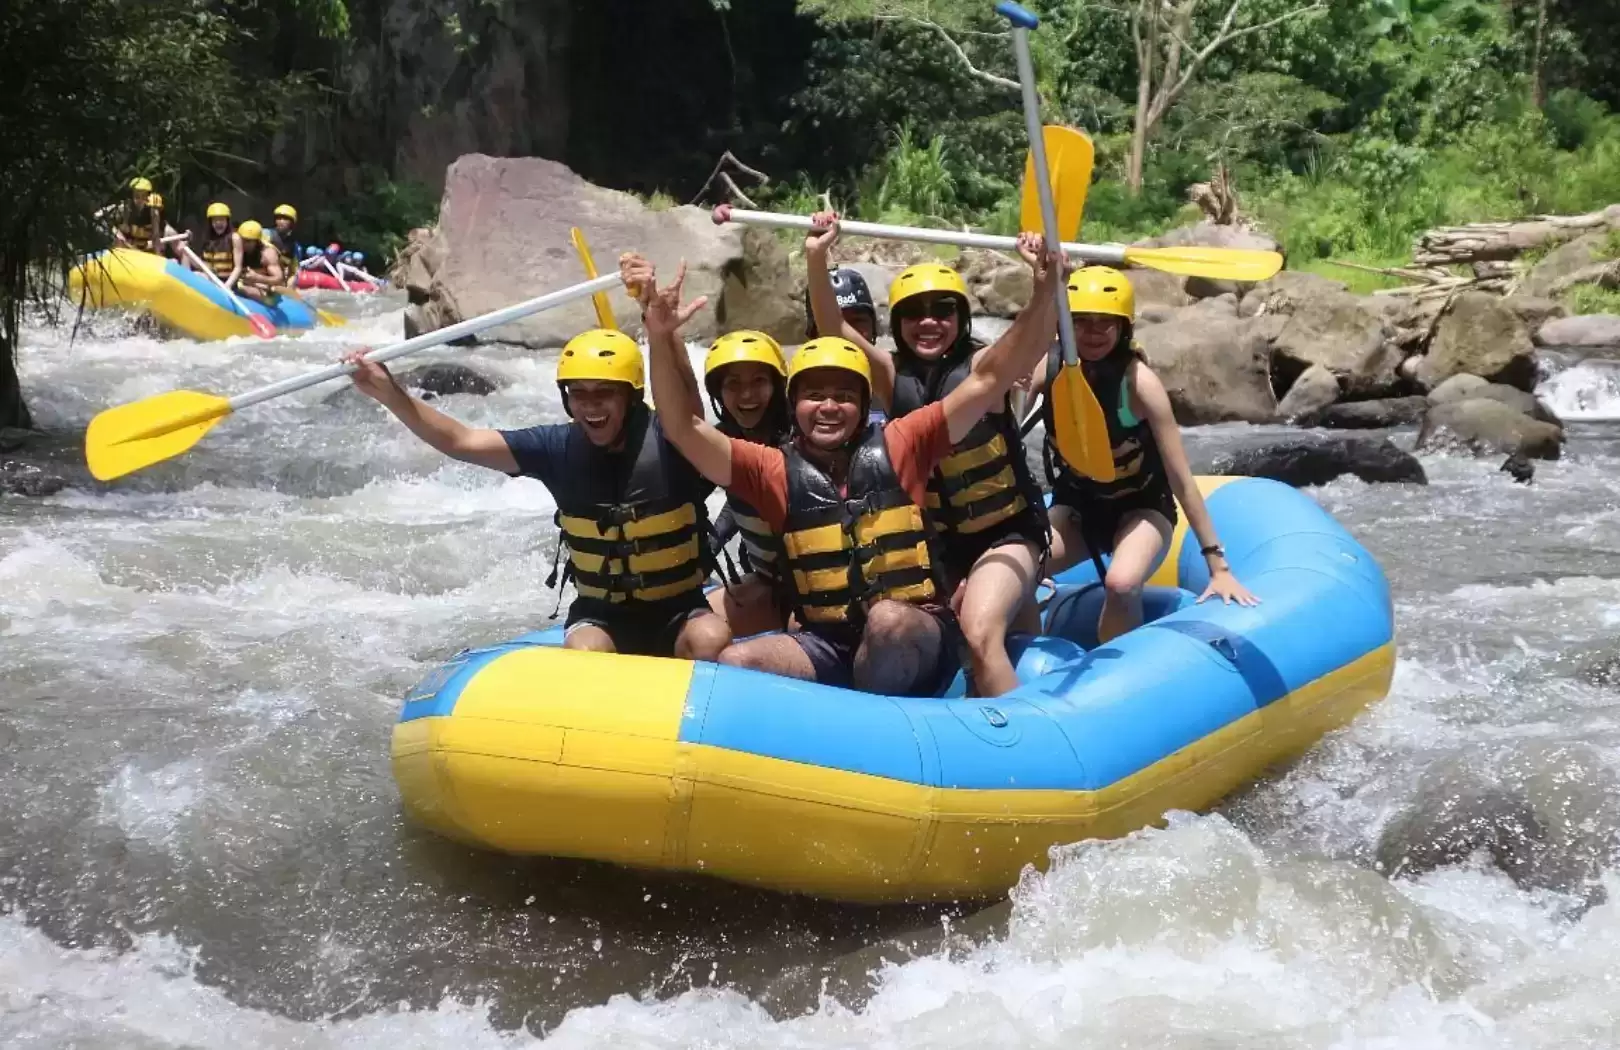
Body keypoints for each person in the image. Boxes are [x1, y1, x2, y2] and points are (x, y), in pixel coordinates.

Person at [632, 236, 1062, 697]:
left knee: (888, 620)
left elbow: (990, 377)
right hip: (829, 641)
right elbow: (683, 427)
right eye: (814, 396)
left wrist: (1044, 291)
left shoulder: (905, 442)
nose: (829, 407)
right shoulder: (770, 469)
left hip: (916, 631)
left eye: (844, 396)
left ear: (863, 404)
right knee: (738, 660)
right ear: (793, 405)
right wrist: (659, 335)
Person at [342, 330, 732, 661]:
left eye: (604, 393)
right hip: (603, 615)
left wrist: (663, 330)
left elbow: (691, 414)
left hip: (678, 609)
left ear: (631, 397)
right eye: (578, 394)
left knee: (711, 638)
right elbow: (461, 441)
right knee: (587, 651)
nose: (590, 406)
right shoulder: (554, 447)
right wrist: (389, 393)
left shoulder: (671, 439)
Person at [804, 212, 1050, 697]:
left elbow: (1027, 345)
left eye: (942, 311)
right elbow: (832, 328)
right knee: (1005, 634)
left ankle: (1026, 733)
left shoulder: (982, 366)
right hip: (938, 547)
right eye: (915, 313)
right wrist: (816, 258)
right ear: (897, 324)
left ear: (961, 319)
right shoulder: (888, 375)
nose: (929, 322)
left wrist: (1044, 285)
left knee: (980, 632)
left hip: (1006, 532)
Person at [1029, 266, 1259, 642]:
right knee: (1020, 566)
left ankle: (1114, 668)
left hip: (1141, 509)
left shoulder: (1140, 384)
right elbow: (1006, 420)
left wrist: (1217, 565)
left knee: (1121, 584)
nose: (1093, 332)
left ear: (1123, 327)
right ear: (1065, 325)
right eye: (1082, 321)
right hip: (1076, 507)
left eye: (1105, 322)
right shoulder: (1047, 369)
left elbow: (1181, 479)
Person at [191, 203, 243, 286]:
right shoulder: (207, 237)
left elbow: (238, 267)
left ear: (227, 220)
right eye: (215, 220)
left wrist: (227, 286)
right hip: (209, 279)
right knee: (186, 253)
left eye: (222, 219)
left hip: (226, 282)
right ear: (210, 222)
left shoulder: (235, 238)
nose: (218, 223)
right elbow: (203, 263)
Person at [233, 221, 284, 303]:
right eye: (243, 240)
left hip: (264, 288)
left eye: (249, 241)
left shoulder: (267, 253)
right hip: (243, 283)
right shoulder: (236, 246)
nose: (244, 244)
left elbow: (278, 279)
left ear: (257, 241)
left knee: (246, 290)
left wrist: (257, 277)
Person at [111, 177, 161, 253]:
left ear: (148, 196)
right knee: (118, 239)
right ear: (131, 196)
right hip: (124, 250)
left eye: (143, 196)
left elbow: (156, 237)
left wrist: (158, 255)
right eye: (137, 196)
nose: (140, 200)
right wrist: (118, 234)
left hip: (142, 251)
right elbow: (109, 225)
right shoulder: (123, 210)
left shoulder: (153, 213)